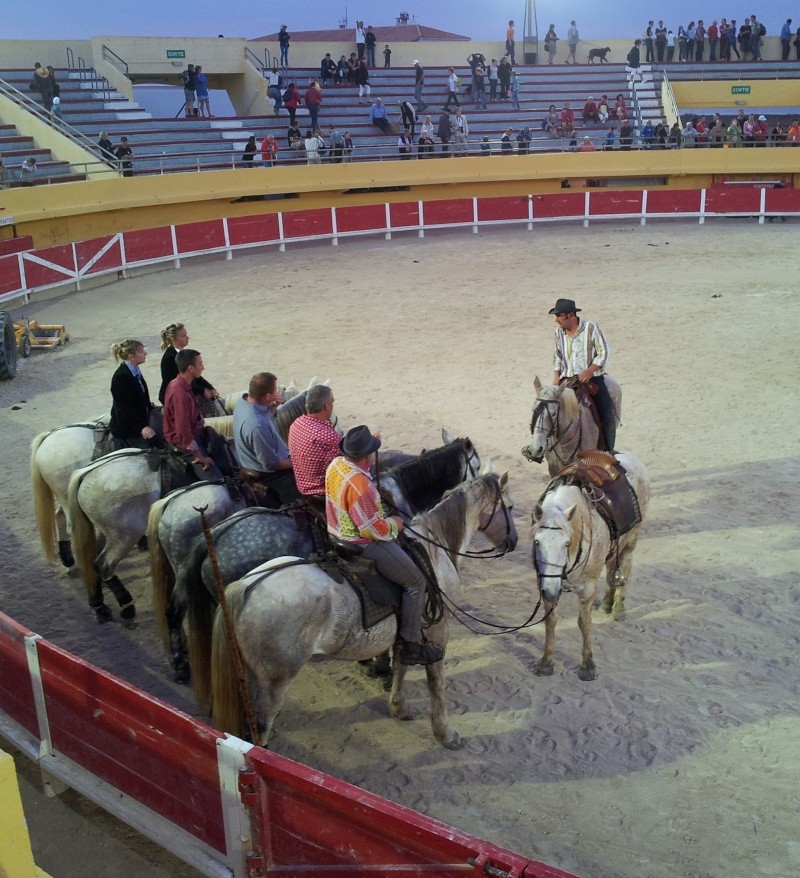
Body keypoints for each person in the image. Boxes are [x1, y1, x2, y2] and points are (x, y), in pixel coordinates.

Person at [326, 425, 445, 666]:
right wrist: (395, 523)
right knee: (416, 582)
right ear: (368, 456)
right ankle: (411, 645)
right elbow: (372, 529)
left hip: (334, 534)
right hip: (362, 544)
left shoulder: (335, 465)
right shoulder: (361, 486)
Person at [549, 298, 616, 452]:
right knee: (548, 410)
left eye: (559, 315)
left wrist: (589, 370)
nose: (556, 320)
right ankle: (545, 449)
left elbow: (603, 352)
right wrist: (556, 375)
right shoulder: (559, 332)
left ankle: (608, 451)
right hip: (567, 380)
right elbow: (557, 355)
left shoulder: (590, 328)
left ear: (570, 315)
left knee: (607, 417)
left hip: (592, 379)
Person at [162, 348, 233, 479]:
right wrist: (200, 457)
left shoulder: (177, 384)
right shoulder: (180, 395)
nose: (203, 367)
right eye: (200, 364)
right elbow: (183, 431)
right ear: (190, 368)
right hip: (188, 444)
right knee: (219, 482)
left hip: (195, 435)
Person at [233, 372, 300, 504]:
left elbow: (264, 417)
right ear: (267, 396)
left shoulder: (242, 402)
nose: (277, 392)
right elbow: (271, 463)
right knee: (304, 499)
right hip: (270, 475)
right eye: (274, 390)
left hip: (254, 461)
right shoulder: (257, 425)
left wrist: (273, 406)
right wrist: (297, 462)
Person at [288, 384, 340, 498]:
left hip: (303, 487)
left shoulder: (296, 424)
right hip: (323, 491)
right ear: (326, 406)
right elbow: (346, 463)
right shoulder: (327, 435)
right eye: (332, 403)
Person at [109, 339, 162, 450]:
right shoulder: (121, 377)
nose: (145, 353)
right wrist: (142, 428)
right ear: (131, 356)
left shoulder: (134, 370)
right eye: (141, 351)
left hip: (141, 419)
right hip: (128, 430)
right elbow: (125, 409)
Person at [158, 322, 218, 406]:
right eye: (183, 336)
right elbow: (176, 383)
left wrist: (209, 388)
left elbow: (195, 375)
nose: (188, 337)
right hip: (174, 399)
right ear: (173, 339)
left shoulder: (183, 353)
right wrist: (202, 390)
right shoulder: (169, 358)